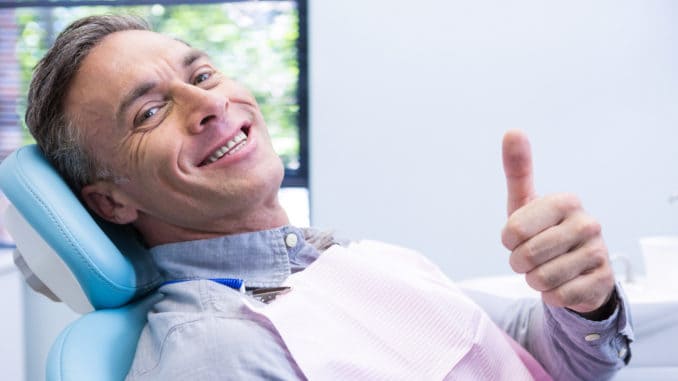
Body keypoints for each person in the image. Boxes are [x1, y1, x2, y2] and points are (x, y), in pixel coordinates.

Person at [25, 15, 632, 380]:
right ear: (111, 203)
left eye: (203, 75)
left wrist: (583, 303)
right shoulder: (216, 352)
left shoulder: (354, 260)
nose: (208, 104)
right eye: (151, 111)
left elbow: (551, 361)